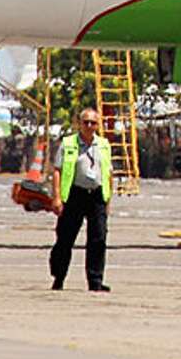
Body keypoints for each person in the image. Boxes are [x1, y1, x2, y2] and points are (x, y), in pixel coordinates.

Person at [49, 108, 113, 292]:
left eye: (93, 123)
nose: (89, 126)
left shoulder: (103, 144)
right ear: (79, 124)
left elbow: (108, 173)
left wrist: (108, 201)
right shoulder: (69, 143)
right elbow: (57, 170)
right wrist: (57, 197)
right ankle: (58, 277)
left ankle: (95, 281)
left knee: (98, 238)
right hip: (75, 195)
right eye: (86, 122)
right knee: (65, 239)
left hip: (97, 195)